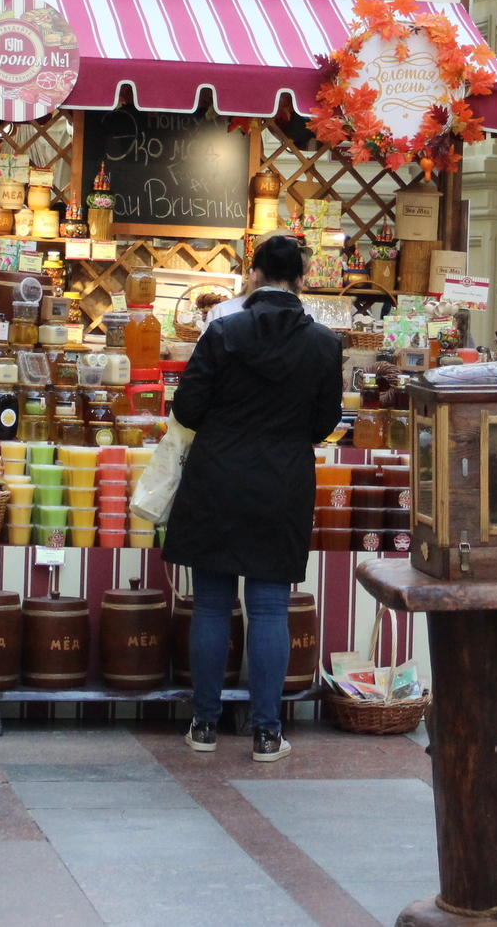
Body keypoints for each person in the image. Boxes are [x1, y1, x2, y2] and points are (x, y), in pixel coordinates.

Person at [164, 234, 342, 763]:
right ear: (301, 280)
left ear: (256, 275)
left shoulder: (222, 331)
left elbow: (188, 408)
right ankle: (267, 732)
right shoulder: (324, 344)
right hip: (281, 483)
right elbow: (325, 421)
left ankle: (203, 725)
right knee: (269, 609)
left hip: (217, 479)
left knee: (213, 606)